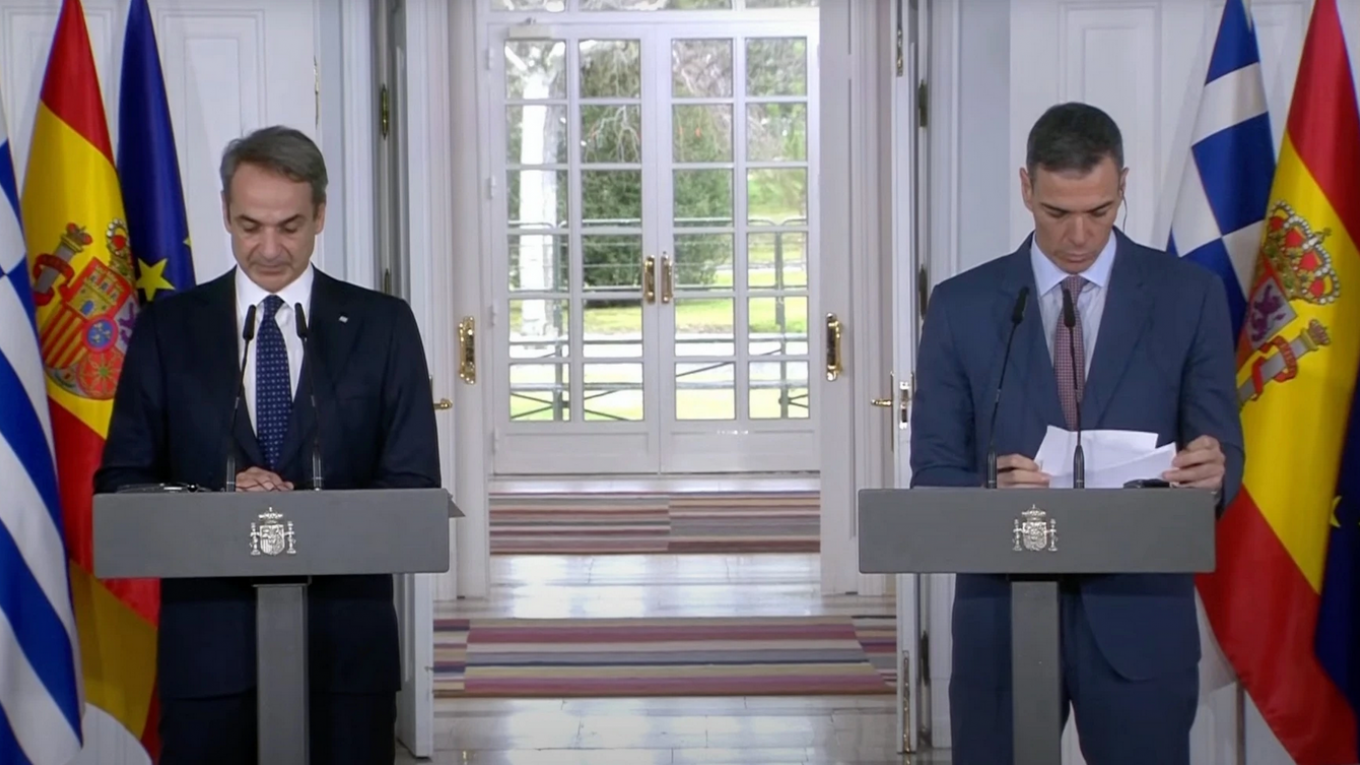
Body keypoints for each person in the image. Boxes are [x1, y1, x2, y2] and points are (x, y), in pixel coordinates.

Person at [909, 102, 1244, 764]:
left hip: (1140, 617)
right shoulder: (960, 305)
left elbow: (1219, 447)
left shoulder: (1190, 295)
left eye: (1100, 210)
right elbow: (933, 472)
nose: (1079, 236)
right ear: (1025, 187)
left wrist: (1215, 471)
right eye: (1057, 212)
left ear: (1123, 185)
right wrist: (988, 490)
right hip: (1002, 619)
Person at [95, 125, 441, 764]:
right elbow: (121, 481)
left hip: (345, 653)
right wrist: (220, 494)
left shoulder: (383, 326)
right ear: (226, 213)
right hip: (209, 656)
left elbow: (414, 483)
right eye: (250, 226)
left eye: (290, 226)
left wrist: (306, 508)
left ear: (320, 216)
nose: (271, 249)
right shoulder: (169, 329)